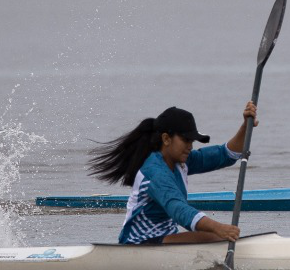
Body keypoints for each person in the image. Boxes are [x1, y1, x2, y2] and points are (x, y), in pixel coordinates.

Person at [88, 103, 257, 244]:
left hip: (163, 239)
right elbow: (178, 209)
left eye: (192, 141)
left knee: (213, 237)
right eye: (185, 140)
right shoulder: (154, 172)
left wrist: (245, 127)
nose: (190, 146)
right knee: (213, 236)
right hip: (139, 243)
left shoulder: (181, 161)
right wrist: (218, 228)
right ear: (166, 139)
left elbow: (224, 155)